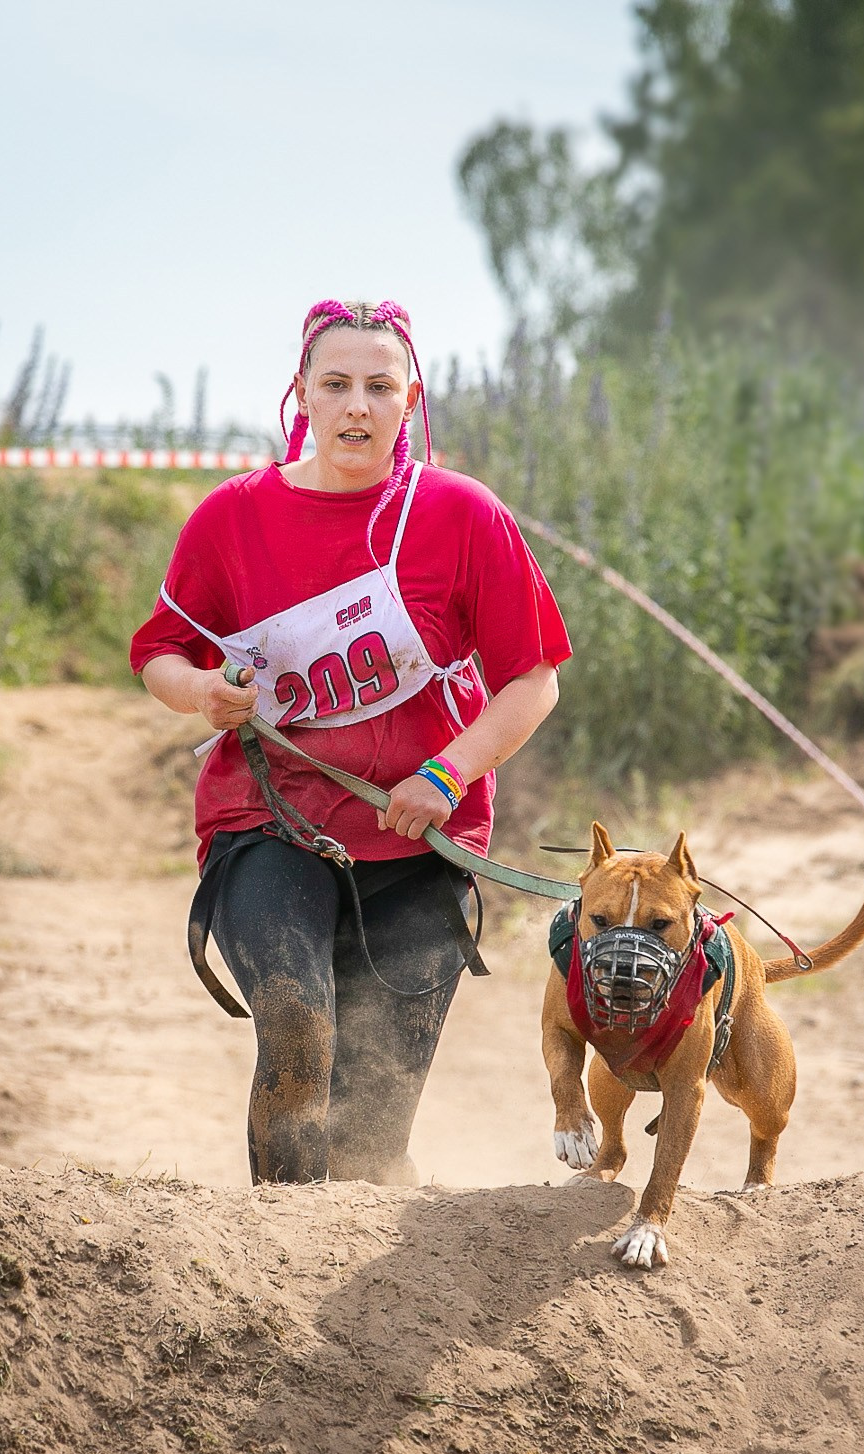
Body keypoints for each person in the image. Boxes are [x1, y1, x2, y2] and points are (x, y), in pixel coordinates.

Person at [131, 300, 570, 1186]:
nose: (357, 406)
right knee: (298, 1029)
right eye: (335, 384)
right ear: (301, 394)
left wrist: (447, 773)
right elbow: (158, 653)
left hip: (419, 841)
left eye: (380, 386)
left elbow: (534, 680)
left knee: (370, 1132)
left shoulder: (463, 515)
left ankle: (366, 1224)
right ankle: (280, 1243)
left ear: (411, 399)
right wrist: (203, 692)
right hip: (268, 823)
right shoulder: (231, 518)